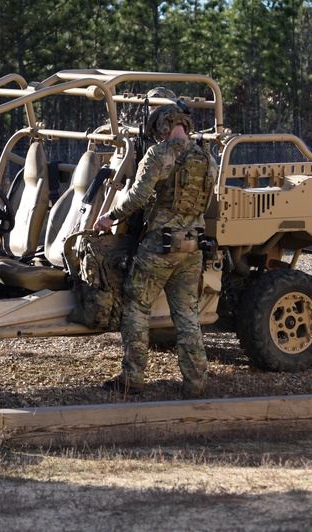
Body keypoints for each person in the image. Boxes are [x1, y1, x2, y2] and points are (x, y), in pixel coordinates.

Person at [93, 100, 218, 399]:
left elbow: (138, 196)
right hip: (193, 245)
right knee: (187, 313)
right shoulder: (207, 158)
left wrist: (110, 217)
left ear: (162, 125)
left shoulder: (159, 154)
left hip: (160, 245)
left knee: (137, 304)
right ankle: (195, 383)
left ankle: (133, 377)